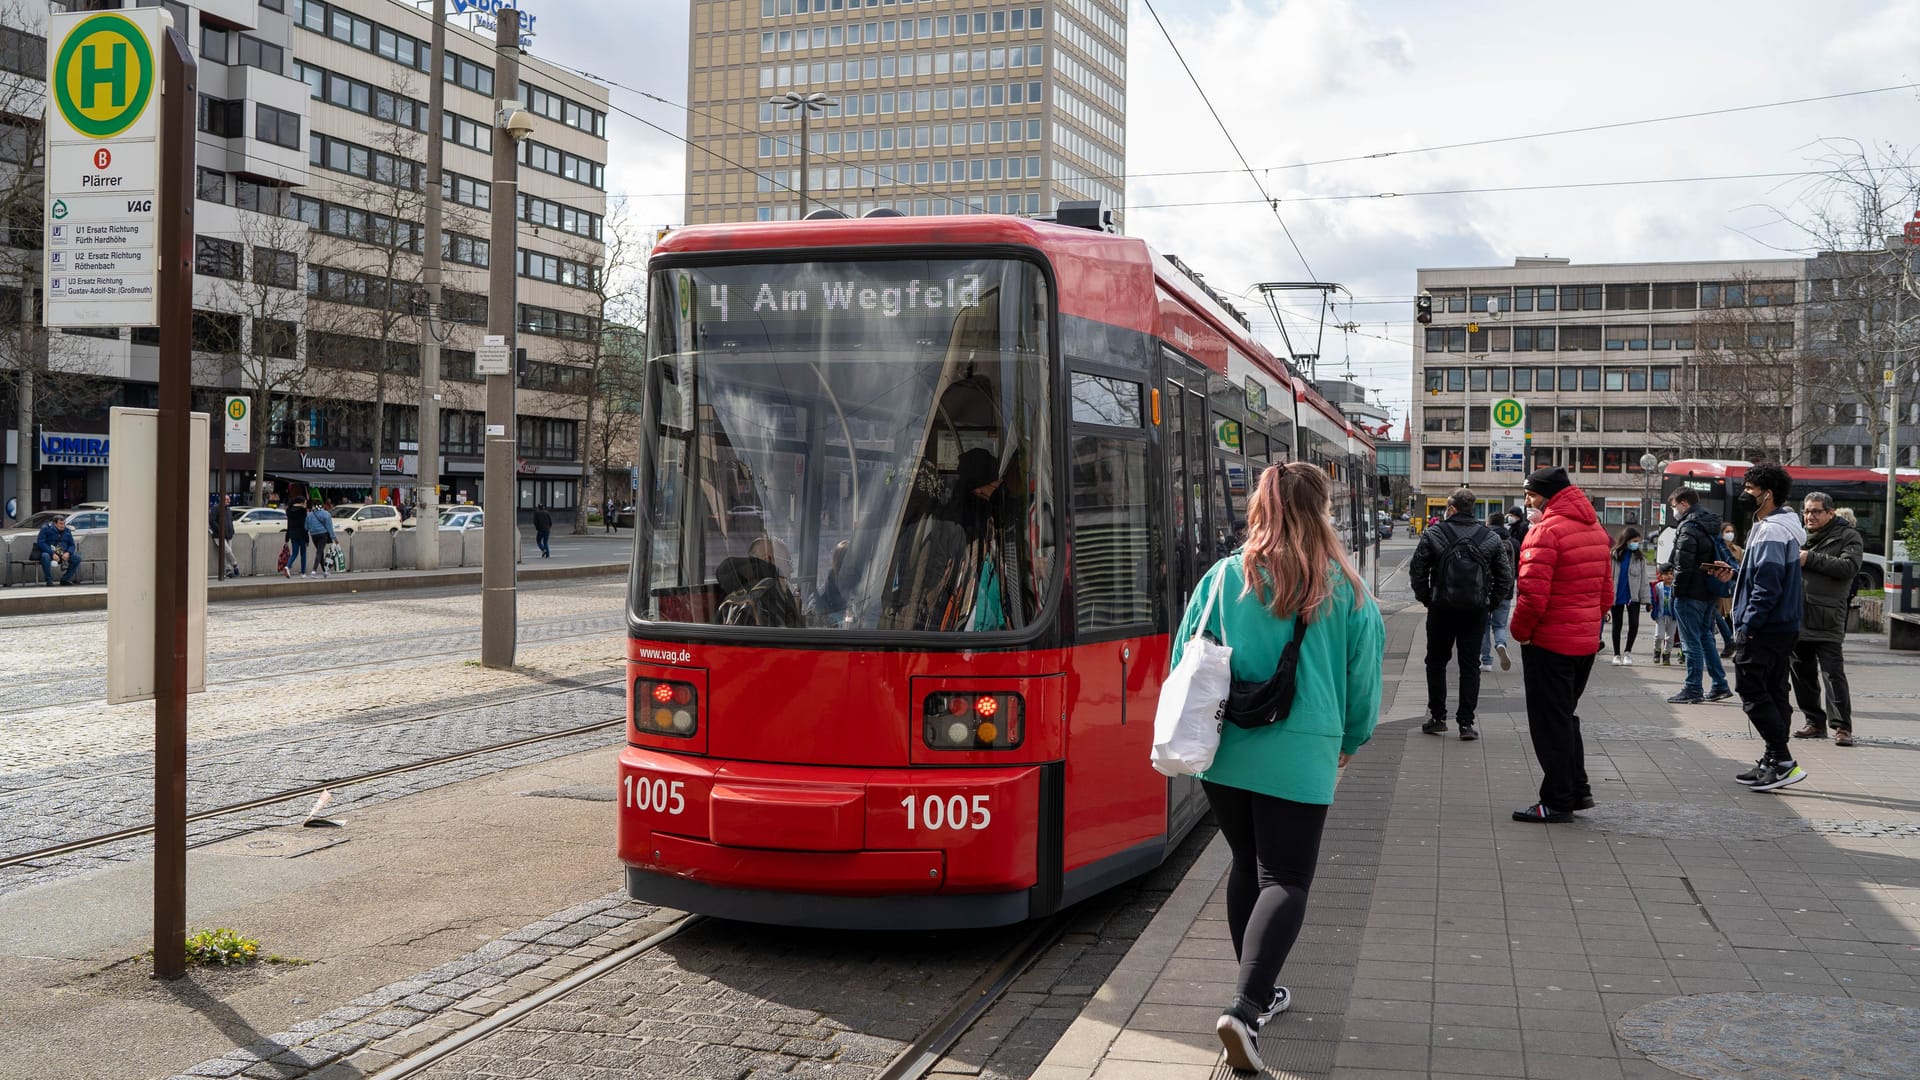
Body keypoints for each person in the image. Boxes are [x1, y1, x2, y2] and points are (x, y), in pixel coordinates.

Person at [1171, 462, 1383, 1074]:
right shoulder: (1342, 587)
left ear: (1258, 508)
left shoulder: (1220, 579)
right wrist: (1354, 738)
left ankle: (1258, 996)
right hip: (1302, 750)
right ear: (1322, 510)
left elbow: (1186, 654)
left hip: (1227, 750)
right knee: (1286, 877)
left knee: (1247, 865)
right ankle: (1246, 1005)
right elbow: (1362, 680)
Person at [1508, 466, 1611, 823]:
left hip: (1549, 642)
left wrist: (1521, 633)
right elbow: (1605, 594)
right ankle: (1577, 790)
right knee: (1565, 718)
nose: (1527, 502)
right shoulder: (1596, 530)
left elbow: (1532, 597)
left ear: (1549, 495)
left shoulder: (1545, 532)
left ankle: (1557, 801)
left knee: (1550, 724)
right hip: (1583, 642)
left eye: (1532, 495)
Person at [1710, 463, 1808, 792]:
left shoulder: (1772, 530)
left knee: (1752, 691)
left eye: (1750, 489)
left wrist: (1747, 625)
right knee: (1775, 691)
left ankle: (1781, 759)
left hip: (1765, 626)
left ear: (1767, 493)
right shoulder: (1779, 526)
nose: (1745, 495)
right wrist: (1736, 574)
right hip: (1782, 624)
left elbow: (1768, 587)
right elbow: (1764, 579)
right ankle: (1774, 758)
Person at [1408, 488, 1512, 741]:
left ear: (1451, 508)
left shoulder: (1434, 533)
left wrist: (1427, 598)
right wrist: (1489, 602)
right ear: (1472, 509)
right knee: (1470, 666)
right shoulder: (1489, 538)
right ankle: (1466, 723)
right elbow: (1505, 577)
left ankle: (1438, 718)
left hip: (1441, 610)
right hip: (1475, 611)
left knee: (1436, 662)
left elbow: (1418, 570)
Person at [1791, 492, 1862, 747]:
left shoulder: (1847, 536)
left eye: (1816, 511)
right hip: (1797, 614)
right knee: (1801, 673)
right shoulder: (1798, 535)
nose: (1810, 516)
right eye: (1807, 511)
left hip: (1827, 616)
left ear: (1830, 513)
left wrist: (1810, 558)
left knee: (1833, 674)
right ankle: (1814, 722)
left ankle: (1842, 727)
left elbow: (1848, 568)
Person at [1665, 488, 1733, 705]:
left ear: (1684, 504)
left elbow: (1683, 564)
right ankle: (1719, 684)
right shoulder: (1711, 524)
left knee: (1690, 641)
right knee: (1706, 638)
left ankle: (1693, 687)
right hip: (1708, 591)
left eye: (1675, 506)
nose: (1674, 511)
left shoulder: (1688, 527)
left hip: (1690, 592)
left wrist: (1676, 591)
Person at [1607, 527, 1648, 665]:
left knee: (1634, 624)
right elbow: (1607, 576)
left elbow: (1644, 580)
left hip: (1633, 595)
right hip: (1617, 594)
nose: (1636, 544)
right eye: (1634, 541)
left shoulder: (1639, 558)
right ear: (1627, 540)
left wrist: (1647, 600)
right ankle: (1616, 654)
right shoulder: (1613, 555)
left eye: (1638, 541)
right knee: (1616, 625)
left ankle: (1628, 652)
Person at [1480, 512, 1515, 673]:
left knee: (1485, 626)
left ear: (1488, 523)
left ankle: (1486, 661)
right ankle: (1501, 644)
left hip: (1486, 590)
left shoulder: (1484, 540)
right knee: (1500, 625)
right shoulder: (1511, 542)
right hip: (1505, 591)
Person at [32, 514, 80, 586]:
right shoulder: (45, 529)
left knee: (77, 558)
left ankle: (65, 579)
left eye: (64, 523)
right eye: (60, 524)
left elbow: (72, 544)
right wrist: (52, 554)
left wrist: (68, 553)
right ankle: (49, 580)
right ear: (55, 523)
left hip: (63, 553)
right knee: (45, 556)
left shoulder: (67, 531)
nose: (63, 525)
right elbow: (41, 543)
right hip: (49, 553)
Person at [1651, 564, 1678, 666]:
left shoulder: (1675, 587)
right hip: (1661, 615)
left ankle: (1666, 654)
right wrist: (1651, 606)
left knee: (1670, 638)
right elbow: (1654, 598)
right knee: (1659, 635)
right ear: (1661, 576)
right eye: (1666, 574)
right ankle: (1657, 650)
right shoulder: (1658, 587)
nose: (1669, 576)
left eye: (1671, 574)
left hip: (1672, 616)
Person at [305, 500, 337, 578]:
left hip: (313, 535)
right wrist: (334, 538)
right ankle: (313, 571)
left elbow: (306, 527)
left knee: (320, 552)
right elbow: (329, 527)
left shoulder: (309, 515)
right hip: (323, 535)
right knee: (319, 552)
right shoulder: (326, 514)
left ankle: (325, 571)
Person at [283, 498, 309, 578]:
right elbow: (304, 525)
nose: (306, 504)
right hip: (301, 534)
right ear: (301, 503)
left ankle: (287, 566)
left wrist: (287, 537)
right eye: (305, 503)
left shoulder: (289, 510)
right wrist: (307, 538)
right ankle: (303, 573)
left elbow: (289, 525)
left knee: (294, 553)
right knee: (303, 553)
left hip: (292, 534)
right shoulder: (303, 511)